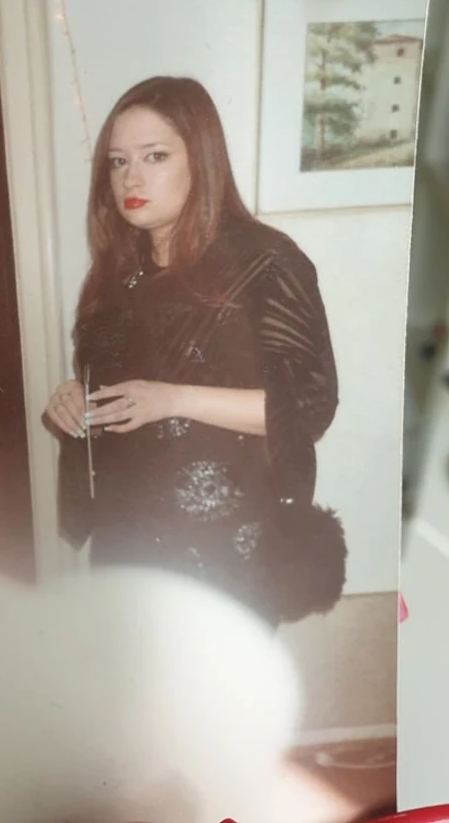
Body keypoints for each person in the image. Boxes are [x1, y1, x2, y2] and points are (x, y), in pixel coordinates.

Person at [45, 76, 340, 625]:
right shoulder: (116, 274)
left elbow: (309, 408)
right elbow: (120, 389)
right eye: (117, 162)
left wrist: (173, 398)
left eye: (154, 156)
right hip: (128, 536)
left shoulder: (265, 263)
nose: (131, 177)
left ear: (201, 162)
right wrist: (75, 398)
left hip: (226, 546)